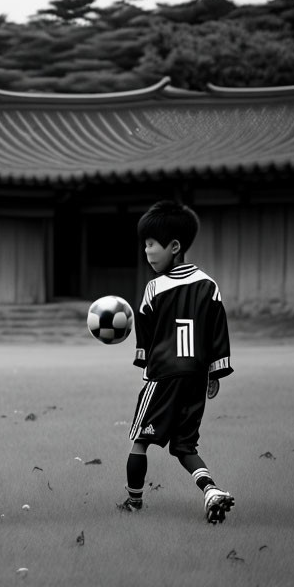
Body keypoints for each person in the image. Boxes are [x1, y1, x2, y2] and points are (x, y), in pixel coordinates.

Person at [118, 200, 235, 524]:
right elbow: (217, 331)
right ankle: (210, 489)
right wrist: (215, 372)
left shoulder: (154, 288)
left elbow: (146, 336)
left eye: (151, 244)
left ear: (174, 246)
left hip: (164, 377)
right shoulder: (209, 285)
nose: (146, 251)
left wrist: (146, 369)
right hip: (196, 377)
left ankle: (133, 503)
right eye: (144, 244)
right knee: (183, 446)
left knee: (140, 439)